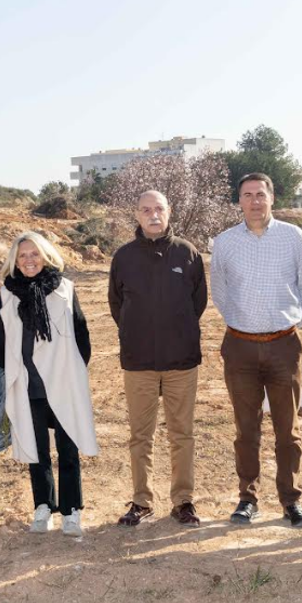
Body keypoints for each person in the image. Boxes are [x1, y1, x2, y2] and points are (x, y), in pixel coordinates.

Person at [210, 172, 302, 528]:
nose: (254, 201)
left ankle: (291, 501)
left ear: (271, 198)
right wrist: (245, 324)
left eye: (260, 194)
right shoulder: (224, 243)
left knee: (288, 430)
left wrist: (287, 325)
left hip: (283, 346)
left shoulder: (293, 237)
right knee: (246, 430)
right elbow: (221, 293)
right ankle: (247, 499)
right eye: (247, 195)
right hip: (239, 348)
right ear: (238, 201)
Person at [109, 190, 207, 528]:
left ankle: (183, 501)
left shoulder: (188, 253)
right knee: (140, 435)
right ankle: (141, 501)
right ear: (136, 215)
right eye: (146, 210)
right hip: (139, 364)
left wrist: (175, 333)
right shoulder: (123, 257)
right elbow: (116, 306)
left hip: (181, 363)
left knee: (182, 434)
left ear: (170, 212)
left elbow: (198, 304)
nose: (153, 215)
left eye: (159, 209)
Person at [0, 231, 97, 537]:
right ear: (15, 260)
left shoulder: (64, 288)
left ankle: (72, 510)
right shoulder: (6, 294)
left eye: (34, 254)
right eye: (22, 255)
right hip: (27, 385)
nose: (29, 260)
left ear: (46, 256)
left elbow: (82, 334)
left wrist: (72, 372)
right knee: (36, 448)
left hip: (62, 383)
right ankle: (43, 507)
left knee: (68, 447)